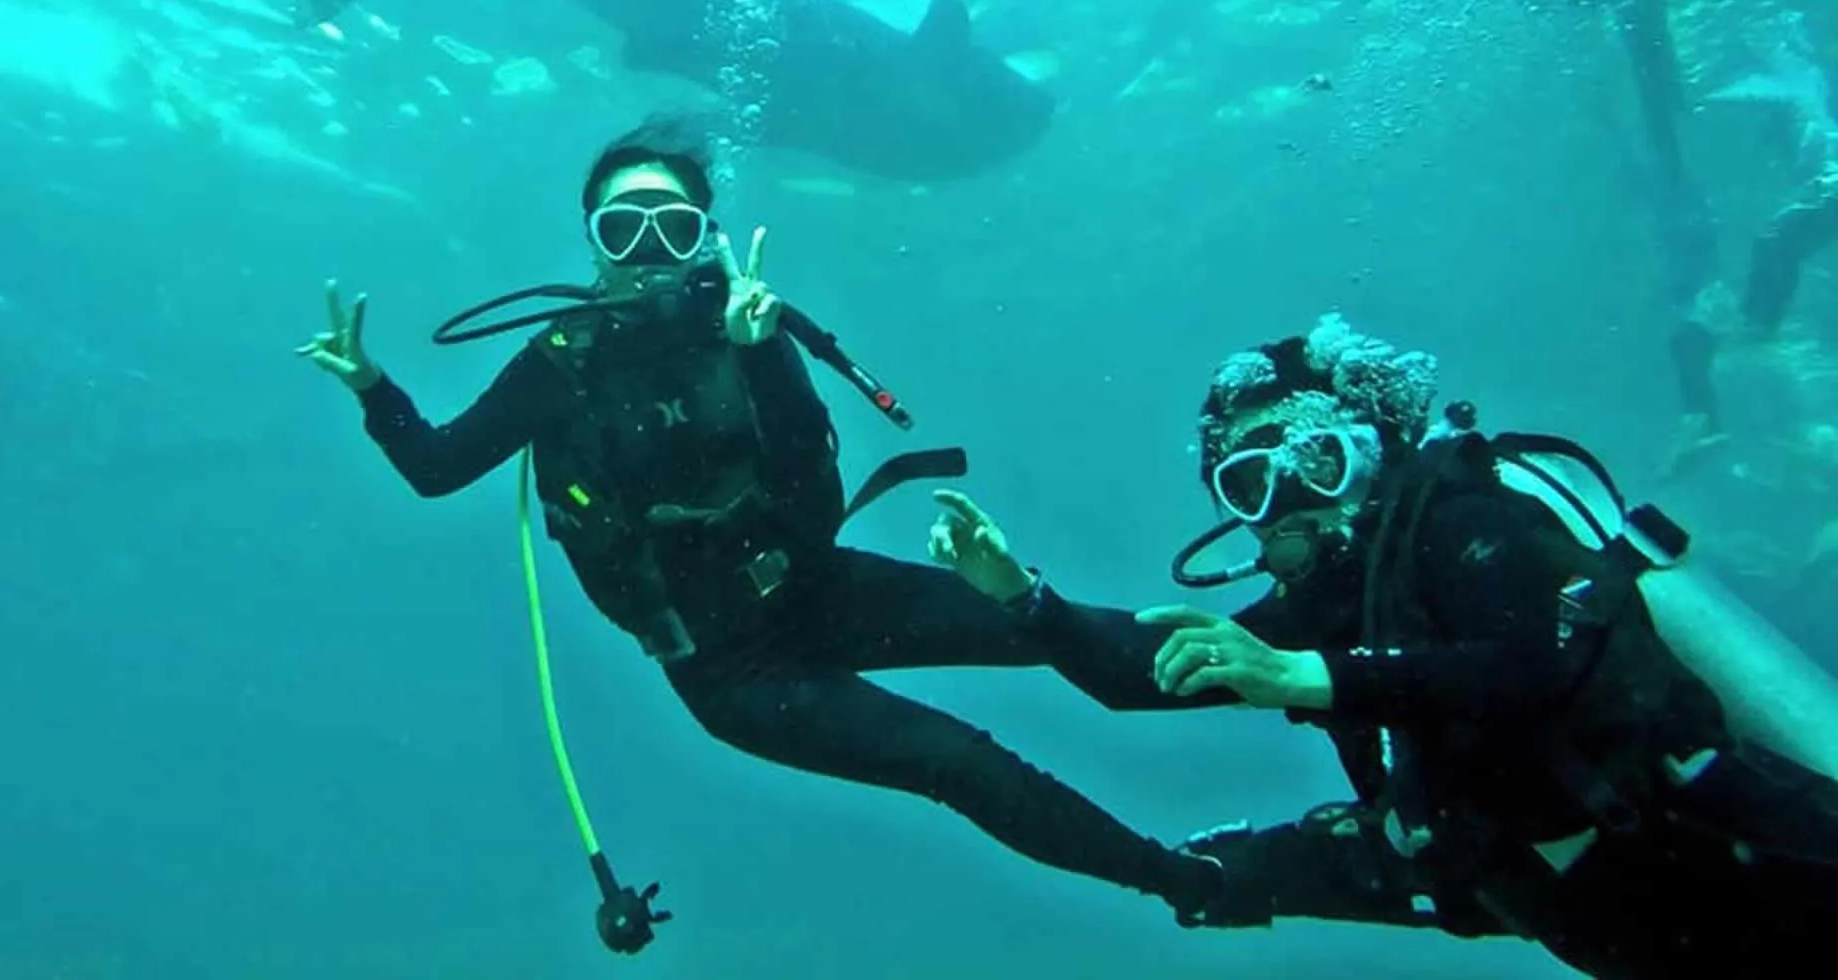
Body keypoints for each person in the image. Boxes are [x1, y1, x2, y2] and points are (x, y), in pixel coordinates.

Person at [296, 118, 1215, 917]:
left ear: (704, 239)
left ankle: (1279, 658)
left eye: (672, 226)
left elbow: (815, 502)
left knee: (1059, 624)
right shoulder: (560, 361)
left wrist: (762, 351)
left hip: (821, 586)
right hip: (730, 668)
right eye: (624, 227)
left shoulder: (747, 328)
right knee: (960, 761)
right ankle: (1190, 882)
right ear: (594, 243)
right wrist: (375, 389)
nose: (649, 249)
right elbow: (438, 468)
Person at [927, 314, 1838, 978]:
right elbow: (1140, 672)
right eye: (1250, 485)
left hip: (1756, 863)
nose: (1288, 501)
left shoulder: (1462, 518)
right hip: (1631, 926)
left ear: (1370, 451)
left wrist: (1308, 675)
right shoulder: (1330, 608)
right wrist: (1021, 595)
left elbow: (1533, 663)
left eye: (1314, 463)